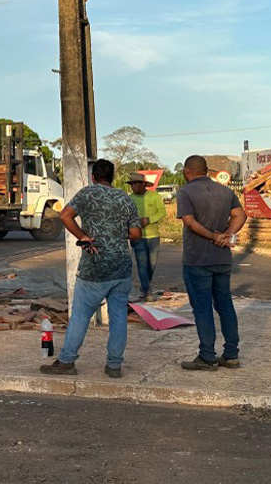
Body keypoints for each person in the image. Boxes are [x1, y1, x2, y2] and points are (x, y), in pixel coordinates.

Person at [41, 159, 141, 378]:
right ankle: (114, 366)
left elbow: (65, 215)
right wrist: (116, 234)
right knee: (118, 318)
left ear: (93, 176)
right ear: (112, 177)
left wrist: (83, 236)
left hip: (94, 266)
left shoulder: (87, 194)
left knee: (80, 316)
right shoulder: (126, 199)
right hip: (121, 266)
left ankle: (67, 361)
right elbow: (135, 235)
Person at [176, 155, 247, 371]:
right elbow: (240, 215)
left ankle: (207, 356)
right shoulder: (225, 191)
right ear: (206, 171)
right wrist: (226, 235)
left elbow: (190, 223)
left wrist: (213, 236)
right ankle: (231, 355)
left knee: (203, 308)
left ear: (187, 171)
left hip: (197, 259)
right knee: (225, 304)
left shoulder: (185, 192)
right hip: (222, 259)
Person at [126, 173, 166, 301]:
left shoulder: (155, 196)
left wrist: (149, 220)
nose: (133, 187)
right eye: (131, 184)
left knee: (151, 264)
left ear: (143, 184)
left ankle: (146, 286)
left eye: (135, 184)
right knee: (142, 264)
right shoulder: (129, 199)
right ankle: (147, 290)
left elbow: (162, 212)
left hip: (153, 235)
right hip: (137, 237)